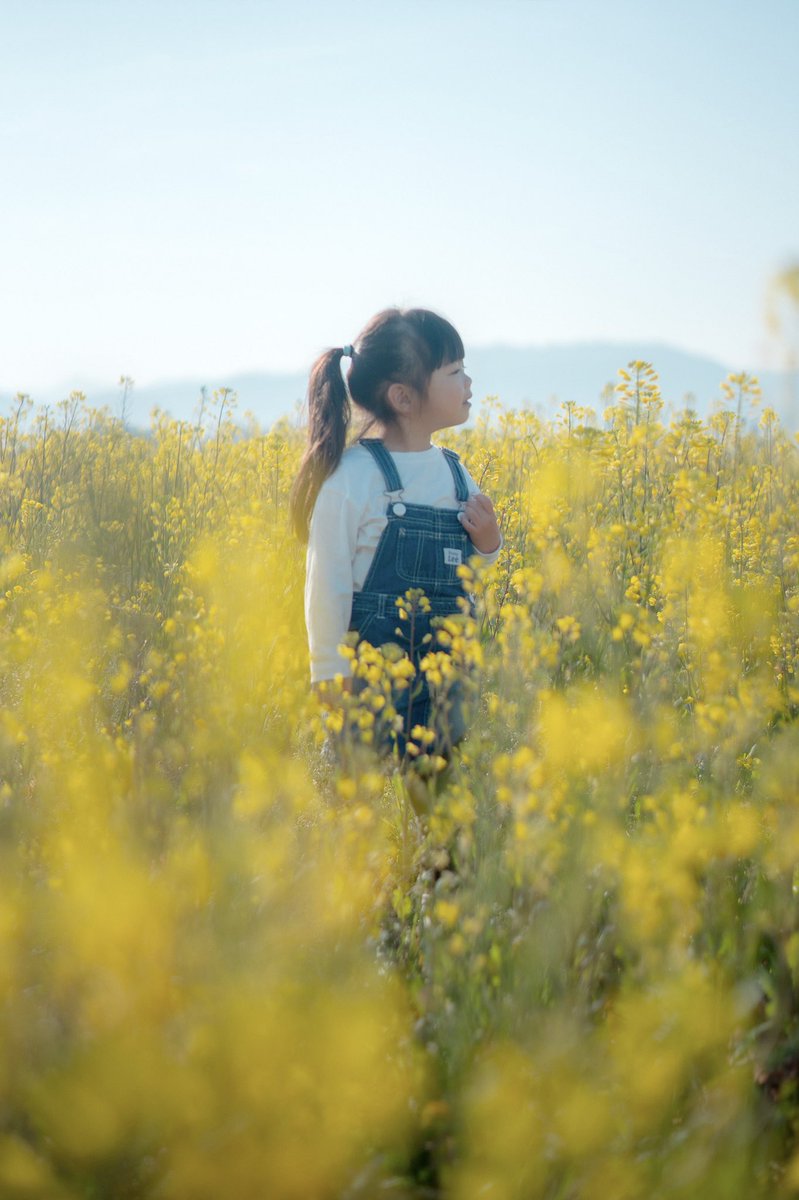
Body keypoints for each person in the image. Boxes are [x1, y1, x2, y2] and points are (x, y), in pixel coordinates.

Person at [291, 307, 502, 764]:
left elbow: (468, 571)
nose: (469, 382)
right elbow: (327, 581)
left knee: (444, 806)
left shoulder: (457, 473)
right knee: (355, 804)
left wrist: (488, 545)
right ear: (404, 398)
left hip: (444, 679)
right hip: (369, 679)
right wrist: (327, 666)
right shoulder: (352, 478)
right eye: (455, 371)